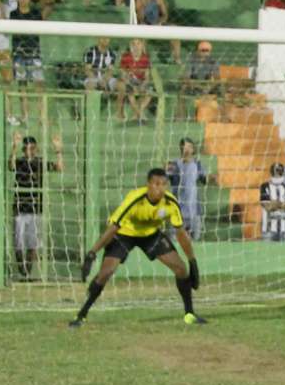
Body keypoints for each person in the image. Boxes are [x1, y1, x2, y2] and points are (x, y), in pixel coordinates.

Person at [71, 168, 203, 327]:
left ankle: (189, 314)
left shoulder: (170, 202)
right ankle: (82, 315)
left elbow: (181, 233)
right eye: (156, 184)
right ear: (148, 185)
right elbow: (113, 227)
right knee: (106, 273)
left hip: (150, 235)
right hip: (125, 234)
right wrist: (92, 252)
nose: (160, 188)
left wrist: (192, 262)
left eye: (163, 184)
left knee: (181, 269)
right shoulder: (135, 199)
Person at [11, 133, 61, 280]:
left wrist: (58, 151)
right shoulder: (20, 162)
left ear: (36, 149)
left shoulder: (40, 162)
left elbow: (59, 167)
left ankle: (27, 273)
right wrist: (14, 147)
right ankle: (22, 271)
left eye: (32, 148)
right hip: (20, 208)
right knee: (18, 242)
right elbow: (11, 165)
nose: (29, 151)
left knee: (33, 244)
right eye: (26, 148)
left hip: (36, 208)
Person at [259, 161, 285, 241]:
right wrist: (284, 205)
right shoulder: (265, 186)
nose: (277, 174)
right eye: (276, 171)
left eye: (279, 171)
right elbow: (268, 206)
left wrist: (276, 203)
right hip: (268, 229)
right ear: (271, 173)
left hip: (284, 229)